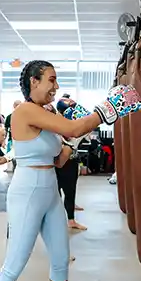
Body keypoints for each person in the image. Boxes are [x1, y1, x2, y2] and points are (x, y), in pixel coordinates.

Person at [0, 60, 141, 281]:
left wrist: (72, 140)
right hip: (27, 192)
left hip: (49, 190)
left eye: (56, 81)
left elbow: (59, 157)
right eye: (51, 80)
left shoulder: (47, 113)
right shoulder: (25, 111)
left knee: (60, 257)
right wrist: (107, 109)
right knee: (14, 263)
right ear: (34, 82)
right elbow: (76, 126)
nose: (56, 86)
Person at [55, 97, 87, 230]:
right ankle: (57, 220)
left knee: (70, 191)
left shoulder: (74, 122)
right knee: (56, 192)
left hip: (71, 161)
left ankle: (71, 219)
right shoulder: (56, 122)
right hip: (58, 161)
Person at [4, 100, 21, 172]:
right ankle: (10, 167)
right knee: (10, 154)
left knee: (17, 155)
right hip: (12, 139)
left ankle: (14, 167)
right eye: (16, 105)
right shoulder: (9, 117)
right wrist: (3, 140)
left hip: (20, 139)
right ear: (14, 106)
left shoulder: (23, 117)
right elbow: (5, 129)